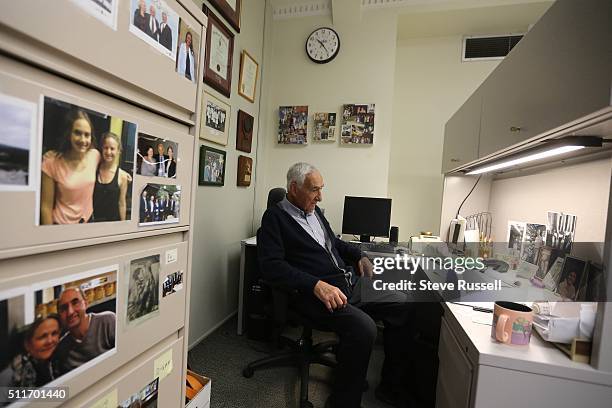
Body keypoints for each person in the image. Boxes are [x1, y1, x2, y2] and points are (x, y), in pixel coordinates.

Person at [258, 163, 415, 408]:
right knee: (364, 328)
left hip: (347, 285)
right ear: (294, 188)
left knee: (403, 303)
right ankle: (343, 403)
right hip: (314, 296)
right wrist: (315, 285)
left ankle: (390, 387)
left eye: (321, 189)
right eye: (314, 190)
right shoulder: (274, 219)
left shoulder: (315, 212)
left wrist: (359, 255)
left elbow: (335, 243)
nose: (319, 196)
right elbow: (272, 267)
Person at [41, 109, 101, 225]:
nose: (83, 140)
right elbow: (46, 207)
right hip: (62, 226)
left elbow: (109, 162)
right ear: (69, 134)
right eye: (77, 133)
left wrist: (123, 174)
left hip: (88, 222)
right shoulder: (51, 162)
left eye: (87, 135)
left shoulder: (95, 156)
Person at [53, 287, 115, 374]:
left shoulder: (107, 321)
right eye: (64, 308)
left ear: (86, 303)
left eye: (75, 303)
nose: (70, 312)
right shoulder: (62, 349)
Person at [0, 316, 61, 388]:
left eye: (54, 333)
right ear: (27, 344)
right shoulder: (9, 377)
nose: (50, 341)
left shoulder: (59, 361)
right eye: (43, 336)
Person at [93, 132, 131, 222]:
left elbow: (122, 203)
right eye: (106, 148)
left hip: (113, 224)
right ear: (102, 148)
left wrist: (123, 225)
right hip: (93, 223)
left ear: (118, 151)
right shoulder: (94, 169)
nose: (108, 152)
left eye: (112, 148)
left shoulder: (122, 176)